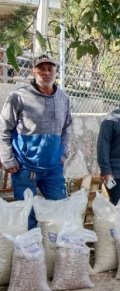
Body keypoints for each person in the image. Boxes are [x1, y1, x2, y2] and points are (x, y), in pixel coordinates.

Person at [0, 54, 72, 229]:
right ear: (33, 71)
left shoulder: (63, 98)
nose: (46, 72)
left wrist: (63, 154)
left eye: (50, 69)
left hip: (53, 168)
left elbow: (67, 128)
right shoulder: (19, 96)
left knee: (59, 209)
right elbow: (3, 128)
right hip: (24, 168)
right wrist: (7, 159)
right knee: (27, 215)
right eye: (41, 68)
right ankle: (30, 253)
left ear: (56, 72)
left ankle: (54, 251)